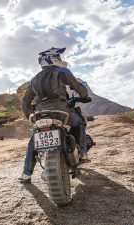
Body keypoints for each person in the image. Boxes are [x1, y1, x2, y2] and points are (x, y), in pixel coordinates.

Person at [18, 47, 91, 183]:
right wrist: (85, 95)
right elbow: (77, 86)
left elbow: (25, 101)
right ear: (52, 58)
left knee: (34, 139)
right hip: (61, 112)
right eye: (58, 57)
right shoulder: (62, 71)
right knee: (79, 121)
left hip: (40, 115)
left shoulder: (34, 79)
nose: (60, 59)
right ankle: (82, 151)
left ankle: (26, 174)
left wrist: (30, 115)